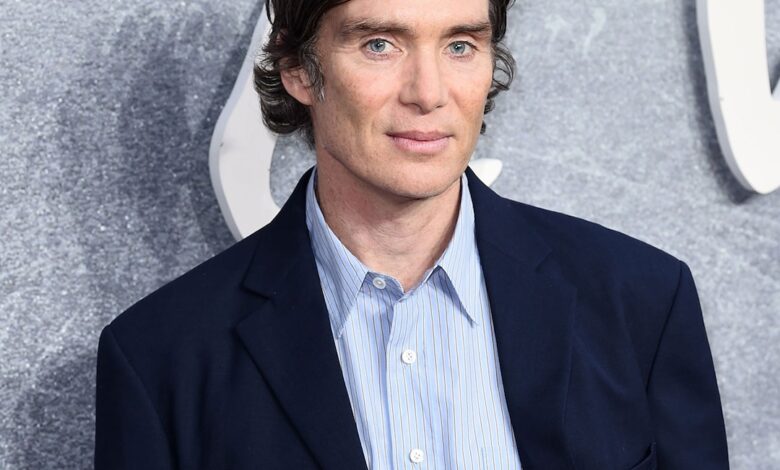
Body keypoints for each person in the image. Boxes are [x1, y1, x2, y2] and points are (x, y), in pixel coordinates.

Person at [94, 0, 729, 468]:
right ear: (297, 69)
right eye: (380, 44)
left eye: (460, 45)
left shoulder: (642, 300)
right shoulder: (160, 357)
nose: (429, 94)